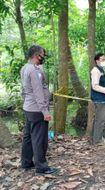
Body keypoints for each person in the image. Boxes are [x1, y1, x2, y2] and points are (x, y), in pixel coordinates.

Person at [20, 45, 57, 175]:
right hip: (37, 110)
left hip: (28, 108)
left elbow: (24, 90)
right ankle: (41, 167)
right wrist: (45, 111)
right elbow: (38, 92)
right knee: (39, 139)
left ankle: (26, 162)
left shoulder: (25, 68)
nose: (43, 57)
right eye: (42, 55)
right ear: (36, 55)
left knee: (28, 136)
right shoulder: (34, 71)